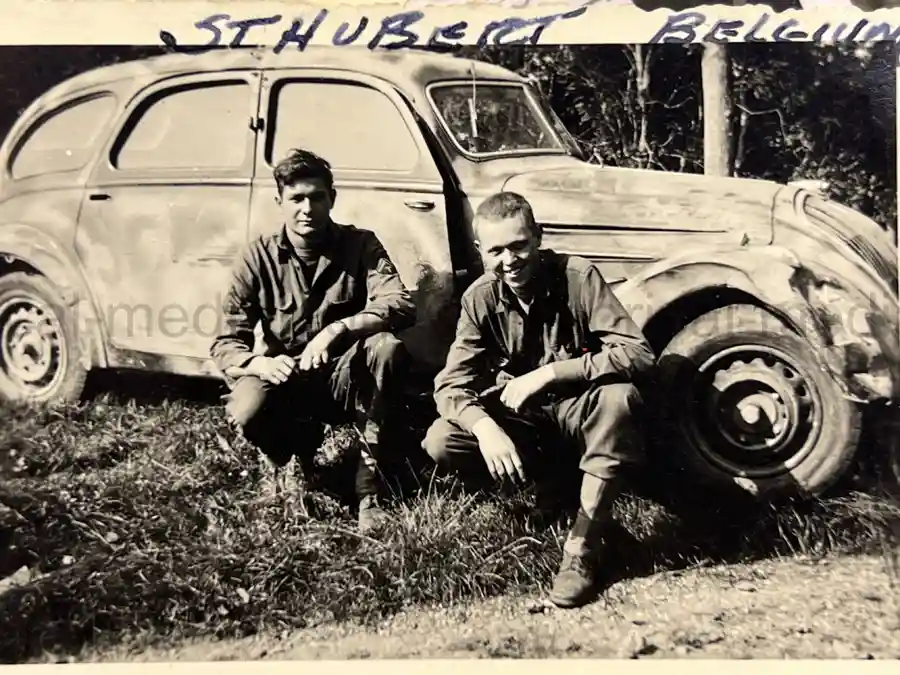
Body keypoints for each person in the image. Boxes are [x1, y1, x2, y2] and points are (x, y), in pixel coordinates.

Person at [422, 191, 656, 608]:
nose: (509, 260)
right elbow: (451, 385)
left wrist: (551, 372)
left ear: (539, 237)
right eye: (495, 251)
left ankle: (581, 550)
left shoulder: (577, 277)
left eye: (519, 245)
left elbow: (637, 354)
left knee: (619, 399)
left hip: (580, 412)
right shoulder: (480, 297)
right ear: (480, 251)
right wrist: (485, 428)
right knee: (443, 439)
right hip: (529, 423)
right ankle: (562, 498)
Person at [210, 148, 417, 533]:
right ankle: (290, 458)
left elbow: (400, 303)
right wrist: (260, 364)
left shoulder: (360, 245)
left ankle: (370, 489)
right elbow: (225, 342)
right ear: (279, 202)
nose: (307, 209)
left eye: (317, 197)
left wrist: (339, 329)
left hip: (344, 377)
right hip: (286, 379)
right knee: (246, 407)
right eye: (296, 198)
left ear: (332, 198)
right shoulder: (256, 257)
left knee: (386, 347)